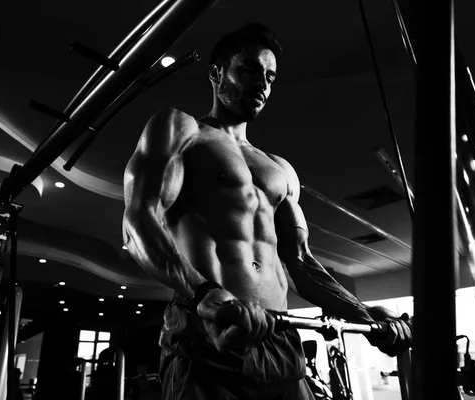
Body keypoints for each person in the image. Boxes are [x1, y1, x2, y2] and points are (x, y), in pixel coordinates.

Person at [122, 22, 412, 399]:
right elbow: (137, 224)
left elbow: (301, 263)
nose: (262, 84)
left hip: (279, 336)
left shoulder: (280, 169)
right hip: (211, 331)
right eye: (249, 69)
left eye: (271, 77)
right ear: (216, 73)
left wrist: (363, 314)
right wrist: (204, 293)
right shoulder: (181, 130)